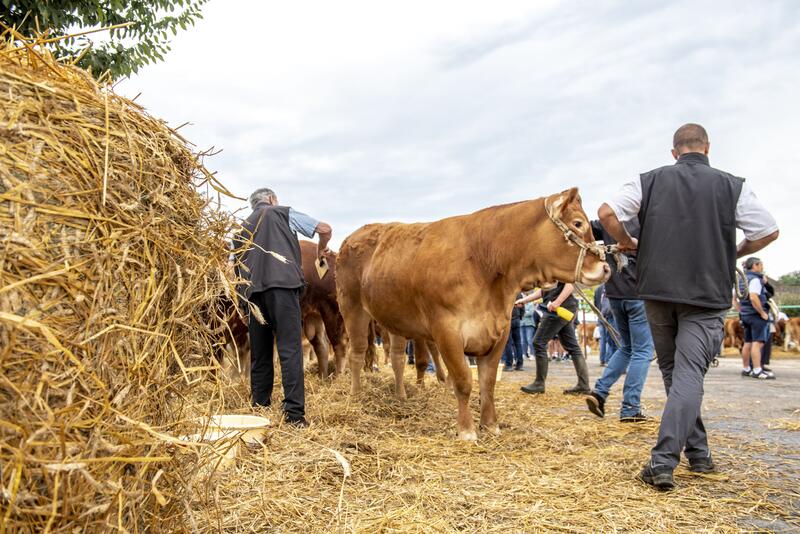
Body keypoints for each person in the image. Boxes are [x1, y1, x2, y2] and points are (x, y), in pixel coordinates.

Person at [598, 123, 779, 490]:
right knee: (688, 374)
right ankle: (664, 461)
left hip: (658, 291)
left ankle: (698, 453)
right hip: (705, 294)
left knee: (675, 372)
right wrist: (735, 251)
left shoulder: (647, 180)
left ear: (674, 152)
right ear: (707, 148)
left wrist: (629, 242)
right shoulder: (733, 186)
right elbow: (768, 230)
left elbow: (605, 213)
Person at [233, 187, 332, 427]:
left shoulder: (240, 230)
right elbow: (325, 229)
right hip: (283, 289)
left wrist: (242, 305)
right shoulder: (281, 213)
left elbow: (236, 269)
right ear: (271, 200)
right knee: (289, 350)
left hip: (253, 294)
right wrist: (321, 248)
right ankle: (294, 416)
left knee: (260, 354)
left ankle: (259, 408)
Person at [585, 217, 655, 423]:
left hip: (614, 293)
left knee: (626, 348)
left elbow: (582, 227)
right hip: (638, 294)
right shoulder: (649, 222)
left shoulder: (607, 223)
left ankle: (599, 392)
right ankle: (630, 407)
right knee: (643, 351)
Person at [518, 283, 590, 394]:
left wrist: (557, 302)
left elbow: (570, 284)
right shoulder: (549, 272)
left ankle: (539, 384)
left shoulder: (560, 266)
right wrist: (524, 300)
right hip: (563, 307)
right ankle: (583, 385)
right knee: (572, 347)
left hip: (557, 308)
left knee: (538, 342)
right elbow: (544, 291)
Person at [738, 257, 775, 379]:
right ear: (755, 265)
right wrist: (762, 313)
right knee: (757, 342)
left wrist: (741, 311)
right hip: (755, 316)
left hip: (745, 315)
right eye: (761, 265)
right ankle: (757, 370)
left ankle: (746, 368)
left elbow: (735, 299)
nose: (762, 267)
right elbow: (754, 297)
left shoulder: (741, 279)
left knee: (748, 342)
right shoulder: (755, 279)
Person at [594, 284, 618, 365]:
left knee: (603, 339)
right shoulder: (612, 286)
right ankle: (609, 359)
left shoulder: (597, 289)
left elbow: (595, 305)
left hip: (601, 316)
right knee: (612, 339)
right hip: (610, 315)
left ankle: (603, 359)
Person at [502, 294, 526, 371]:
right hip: (517, 319)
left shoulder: (506, 291)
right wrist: (520, 316)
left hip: (508, 319)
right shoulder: (518, 293)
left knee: (508, 343)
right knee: (518, 343)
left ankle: (509, 364)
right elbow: (523, 307)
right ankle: (520, 364)